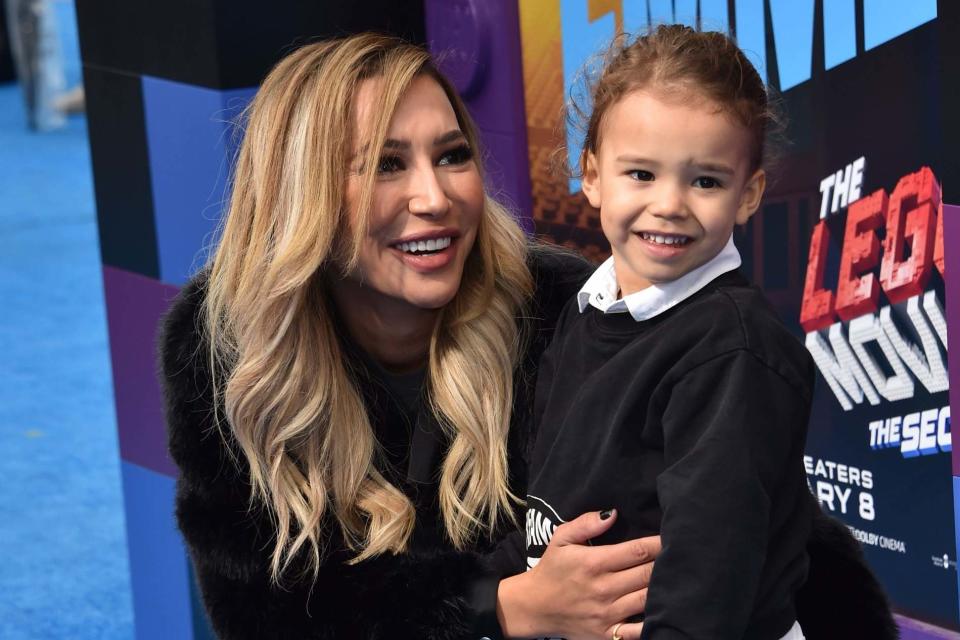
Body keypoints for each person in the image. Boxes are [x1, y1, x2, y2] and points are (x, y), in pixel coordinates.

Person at [160, 33, 659, 640]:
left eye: (452, 155)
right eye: (384, 165)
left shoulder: (559, 307)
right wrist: (502, 607)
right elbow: (262, 613)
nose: (435, 197)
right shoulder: (225, 343)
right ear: (301, 193)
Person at [520, 26, 898, 639]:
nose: (669, 204)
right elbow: (553, 485)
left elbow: (713, 566)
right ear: (591, 176)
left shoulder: (734, 352)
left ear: (747, 195)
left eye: (705, 181)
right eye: (641, 174)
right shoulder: (586, 308)